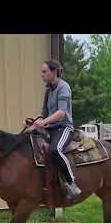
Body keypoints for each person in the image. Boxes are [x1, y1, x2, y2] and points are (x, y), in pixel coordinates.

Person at [34, 59, 82, 200]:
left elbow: (61, 113)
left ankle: (71, 183)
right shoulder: (48, 90)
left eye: (44, 71)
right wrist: (35, 120)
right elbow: (44, 113)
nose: (42, 75)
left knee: (55, 150)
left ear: (54, 72)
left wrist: (44, 123)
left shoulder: (63, 87)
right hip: (50, 128)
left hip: (64, 127)